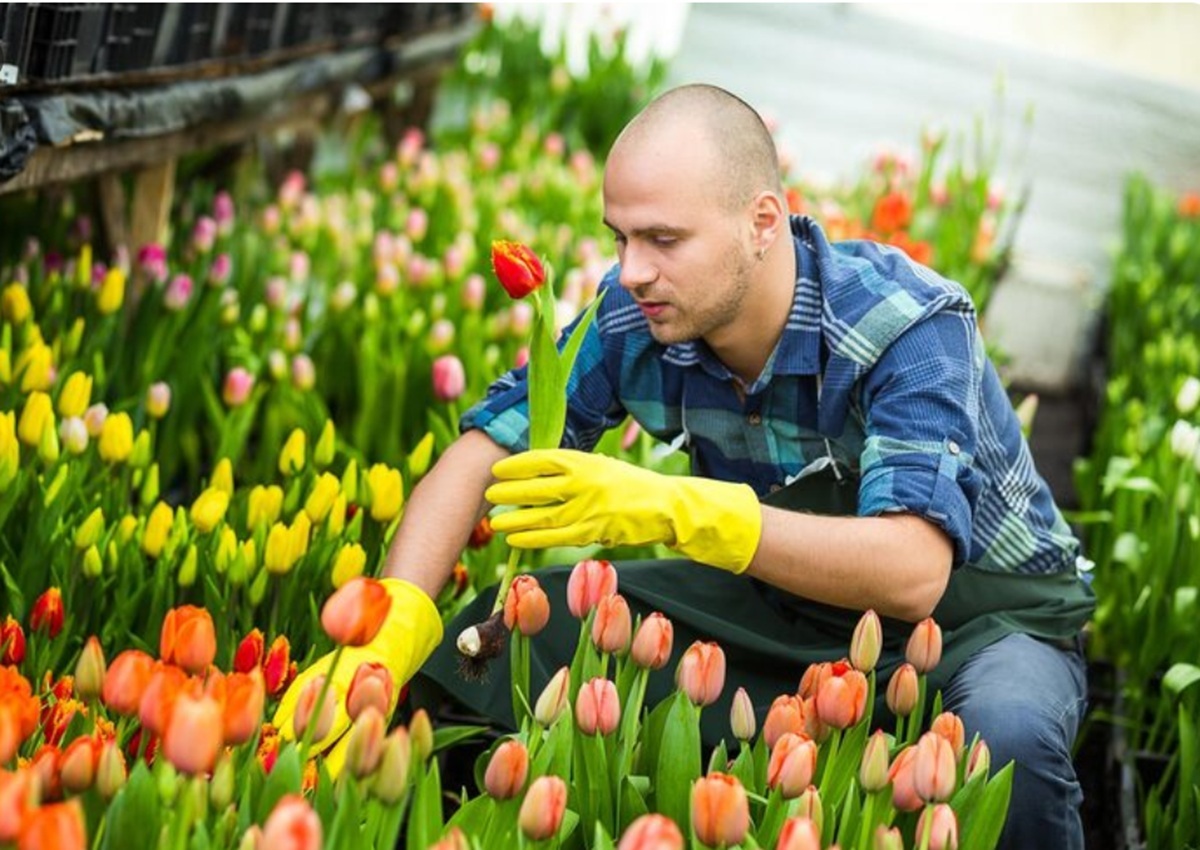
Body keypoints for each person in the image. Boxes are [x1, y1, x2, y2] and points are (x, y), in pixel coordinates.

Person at [276, 83, 1094, 849]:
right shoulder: (638, 312)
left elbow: (913, 570)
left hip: (986, 623)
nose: (631, 270)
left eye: (663, 239)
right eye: (621, 238)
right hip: (783, 604)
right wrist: (390, 627)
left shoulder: (904, 325)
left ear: (762, 221)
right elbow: (486, 449)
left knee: (1010, 744)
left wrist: (677, 509)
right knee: (474, 650)